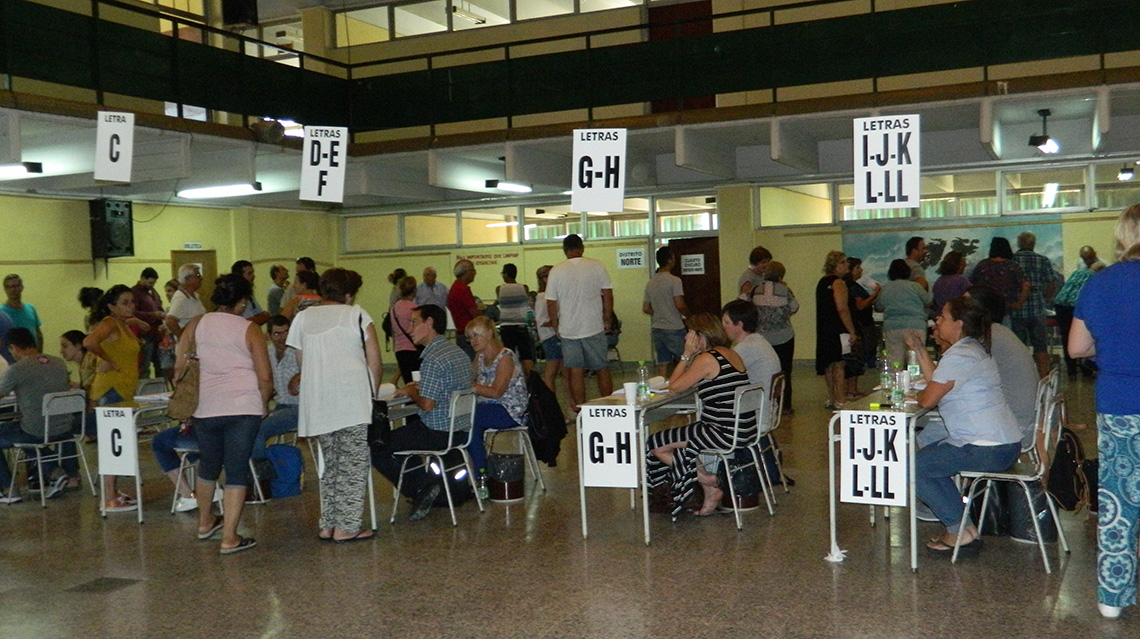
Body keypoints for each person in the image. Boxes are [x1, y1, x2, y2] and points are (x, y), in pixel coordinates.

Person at [906, 296, 1022, 558]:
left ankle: (959, 529)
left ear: (958, 324)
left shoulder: (960, 355)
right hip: (1005, 443)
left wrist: (916, 396)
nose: (937, 320)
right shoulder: (973, 349)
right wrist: (921, 349)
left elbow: (928, 398)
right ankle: (964, 527)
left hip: (986, 447)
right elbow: (938, 381)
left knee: (914, 466)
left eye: (943, 317)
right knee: (928, 456)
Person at [1068, 204, 1140, 619]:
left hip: (1119, 405)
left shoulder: (1099, 284)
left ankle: (1112, 597)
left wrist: (1109, 349)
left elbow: (1077, 349)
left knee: (1119, 501)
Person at [174, 274, 272, 554]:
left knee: (208, 466)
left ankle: (205, 522)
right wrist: (263, 402)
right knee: (237, 470)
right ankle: (230, 537)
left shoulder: (196, 324)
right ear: (242, 301)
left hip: (206, 407)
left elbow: (180, 367)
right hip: (243, 407)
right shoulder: (249, 329)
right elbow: (264, 375)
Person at [287, 268, 381, 542]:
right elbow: (373, 361)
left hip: (318, 402)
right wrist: (372, 395)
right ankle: (347, 527)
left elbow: (301, 363)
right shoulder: (357, 314)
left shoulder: (302, 318)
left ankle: (328, 524)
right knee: (352, 465)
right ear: (349, 294)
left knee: (330, 466)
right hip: (351, 400)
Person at [646, 313, 754, 517]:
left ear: (699, 335)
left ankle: (708, 481)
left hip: (721, 431)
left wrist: (686, 355)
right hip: (743, 428)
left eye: (690, 334)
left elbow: (674, 386)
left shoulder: (707, 358)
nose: (687, 338)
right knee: (682, 439)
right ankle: (709, 490)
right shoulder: (729, 353)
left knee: (654, 444)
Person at [371, 304, 473, 522]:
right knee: (403, 439)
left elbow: (427, 405)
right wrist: (420, 388)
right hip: (461, 429)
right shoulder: (458, 352)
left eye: (414, 322)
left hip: (438, 430)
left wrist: (410, 391)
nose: (409, 328)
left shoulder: (433, 359)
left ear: (430, 323)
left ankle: (421, 488)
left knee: (377, 445)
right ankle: (426, 486)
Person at [83, 285, 148, 512]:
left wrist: (136, 321)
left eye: (132, 302)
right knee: (114, 445)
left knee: (120, 443)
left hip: (123, 388)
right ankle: (108, 497)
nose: (131, 306)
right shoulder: (110, 323)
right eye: (125, 302)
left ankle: (113, 491)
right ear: (111, 306)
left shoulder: (123, 324)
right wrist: (106, 358)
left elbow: (147, 327)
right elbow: (89, 342)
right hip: (111, 389)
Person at [0, 328, 73, 504]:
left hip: (37, 430)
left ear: (14, 348)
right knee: (23, 430)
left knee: (20, 432)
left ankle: (8, 488)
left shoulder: (17, 369)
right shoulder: (59, 362)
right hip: (65, 426)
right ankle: (58, 473)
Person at [545, 234, 614, 412]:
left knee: (575, 370)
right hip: (594, 326)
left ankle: (581, 409)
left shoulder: (556, 271)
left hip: (569, 329)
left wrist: (555, 325)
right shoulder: (597, 265)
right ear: (582, 248)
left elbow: (551, 302)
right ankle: (609, 406)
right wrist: (607, 319)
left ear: (564, 250)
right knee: (601, 368)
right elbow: (607, 294)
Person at [465, 316, 529, 475]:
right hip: (488, 407)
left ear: (489, 334)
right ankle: (479, 473)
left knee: (468, 420)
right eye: (469, 338)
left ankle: (480, 475)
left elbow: (496, 392)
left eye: (476, 335)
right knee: (467, 422)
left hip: (509, 409)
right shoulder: (479, 357)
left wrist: (472, 387)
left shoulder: (505, 356)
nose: (472, 341)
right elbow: (466, 377)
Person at [752, 261, 797, 413]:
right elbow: (794, 307)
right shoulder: (785, 290)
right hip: (784, 336)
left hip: (762, 338)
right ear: (780, 275)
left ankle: (764, 403)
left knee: (762, 370)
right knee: (784, 371)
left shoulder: (755, 289)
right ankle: (785, 405)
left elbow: (744, 303)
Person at [815, 251, 857, 410]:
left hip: (824, 328)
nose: (847, 266)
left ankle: (831, 397)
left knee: (828, 364)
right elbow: (842, 308)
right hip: (838, 329)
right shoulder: (839, 283)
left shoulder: (821, 282)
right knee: (839, 364)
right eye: (843, 263)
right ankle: (840, 399)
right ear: (834, 265)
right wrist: (851, 331)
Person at [254, 314, 300, 460]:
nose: (283, 338)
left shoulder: (300, 352)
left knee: (258, 431)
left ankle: (261, 474)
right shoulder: (267, 354)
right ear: (269, 336)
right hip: (279, 406)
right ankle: (250, 472)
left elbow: (317, 371)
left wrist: (301, 375)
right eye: (277, 334)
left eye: (286, 332)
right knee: (246, 427)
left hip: (299, 409)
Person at [1011, 231, 1056, 376]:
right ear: (1033, 244)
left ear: (1019, 243)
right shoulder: (1042, 260)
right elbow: (1051, 284)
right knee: (1040, 345)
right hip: (1037, 307)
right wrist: (1045, 298)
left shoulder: (1012, 260)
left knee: (1019, 345)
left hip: (1017, 308)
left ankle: (1023, 375)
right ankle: (1043, 375)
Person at [1053, 245, 1104, 376]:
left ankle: (1071, 370)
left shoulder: (1078, 272)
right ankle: (1087, 369)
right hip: (1075, 306)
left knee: (1066, 337)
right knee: (1088, 334)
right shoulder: (1097, 276)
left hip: (1061, 306)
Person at [877, 258, 932, 369]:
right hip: (915, 326)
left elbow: (879, 306)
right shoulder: (915, 286)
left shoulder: (885, 288)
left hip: (892, 327)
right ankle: (916, 384)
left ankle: (896, 384)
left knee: (895, 362)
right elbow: (928, 301)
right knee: (916, 360)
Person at [643, 246, 687, 377]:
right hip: (674, 328)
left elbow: (646, 308)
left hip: (657, 328)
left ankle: (662, 393)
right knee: (684, 361)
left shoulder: (651, 283)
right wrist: (688, 315)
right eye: (673, 258)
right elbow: (679, 304)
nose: (674, 260)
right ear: (669, 260)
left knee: (662, 364)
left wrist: (659, 312)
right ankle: (684, 391)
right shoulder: (675, 281)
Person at [969, 237, 1028, 325]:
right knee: (1005, 335)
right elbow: (1026, 285)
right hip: (1005, 309)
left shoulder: (982, 265)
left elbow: (971, 285)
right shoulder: (1013, 266)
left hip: (984, 310)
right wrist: (1019, 303)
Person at [844, 257, 879, 399]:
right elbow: (860, 305)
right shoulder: (853, 287)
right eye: (858, 268)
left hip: (860, 324)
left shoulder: (849, 285)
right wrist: (875, 294)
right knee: (856, 357)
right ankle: (851, 390)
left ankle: (851, 389)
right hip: (860, 325)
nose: (861, 270)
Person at [496, 263, 535, 376]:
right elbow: (527, 304)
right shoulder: (524, 288)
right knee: (526, 356)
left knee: (508, 354)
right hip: (521, 325)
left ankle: (510, 379)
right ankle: (530, 380)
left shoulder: (499, 289)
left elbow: (498, 302)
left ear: (506, 274)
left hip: (506, 326)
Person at [131, 267, 166, 379]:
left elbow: (158, 305)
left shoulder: (152, 292)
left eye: (154, 283)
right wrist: (153, 315)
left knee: (160, 365)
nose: (152, 285)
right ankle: (144, 391)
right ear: (142, 278)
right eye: (150, 282)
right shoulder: (134, 293)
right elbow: (133, 313)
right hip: (144, 335)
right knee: (144, 366)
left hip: (156, 334)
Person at [533, 265, 562, 393]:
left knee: (564, 373)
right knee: (550, 375)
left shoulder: (545, 296)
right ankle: (551, 405)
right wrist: (558, 322)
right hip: (551, 337)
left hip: (551, 337)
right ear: (545, 279)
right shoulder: (544, 297)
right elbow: (542, 320)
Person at [391, 275, 421, 384]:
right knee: (417, 383)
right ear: (414, 291)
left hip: (399, 349)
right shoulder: (415, 308)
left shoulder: (394, 308)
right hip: (413, 349)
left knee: (408, 383)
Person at [448, 259, 480, 359]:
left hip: (461, 333)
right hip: (468, 334)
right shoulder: (463, 289)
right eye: (473, 270)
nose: (475, 273)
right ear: (466, 272)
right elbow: (474, 313)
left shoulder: (454, 287)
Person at [165, 264, 207, 339]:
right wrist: (183, 338)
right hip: (188, 347)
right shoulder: (180, 298)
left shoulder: (194, 295)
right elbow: (170, 321)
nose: (201, 278)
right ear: (187, 279)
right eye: (197, 275)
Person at [3, 274, 44, 349]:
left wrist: (38, 354)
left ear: (21, 287)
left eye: (15, 286)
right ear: (5, 289)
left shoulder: (31, 309)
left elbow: (38, 335)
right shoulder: (1, 312)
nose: (12, 290)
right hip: (8, 357)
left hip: (31, 356)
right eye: (8, 287)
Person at [231, 260, 271, 326]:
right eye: (249, 274)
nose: (253, 276)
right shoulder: (237, 297)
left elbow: (259, 313)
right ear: (240, 277)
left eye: (253, 273)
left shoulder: (249, 294)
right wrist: (263, 317)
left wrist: (263, 316)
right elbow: (243, 322)